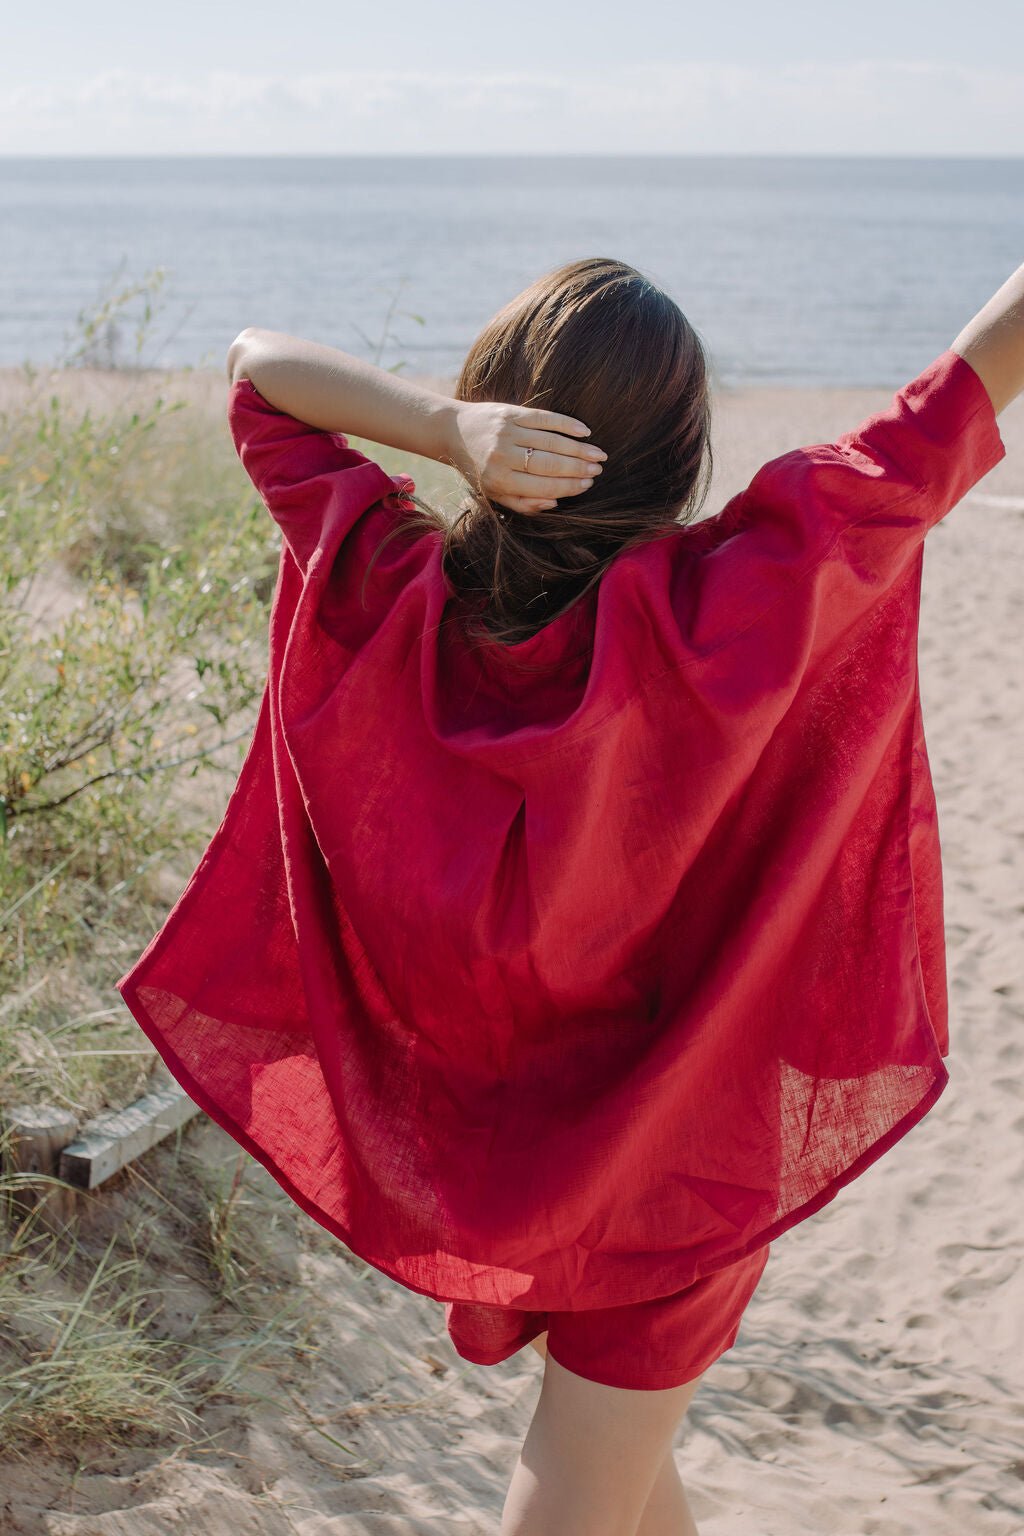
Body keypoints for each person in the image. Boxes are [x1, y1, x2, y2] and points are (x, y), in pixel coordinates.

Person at [118, 257, 1021, 1536]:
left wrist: (440, 430)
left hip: (536, 1167)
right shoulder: (749, 599)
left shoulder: (380, 591)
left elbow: (257, 369)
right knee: (611, 1484)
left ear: (499, 424)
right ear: (685, 460)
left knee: (603, 1479)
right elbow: (969, 384)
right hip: (672, 1162)